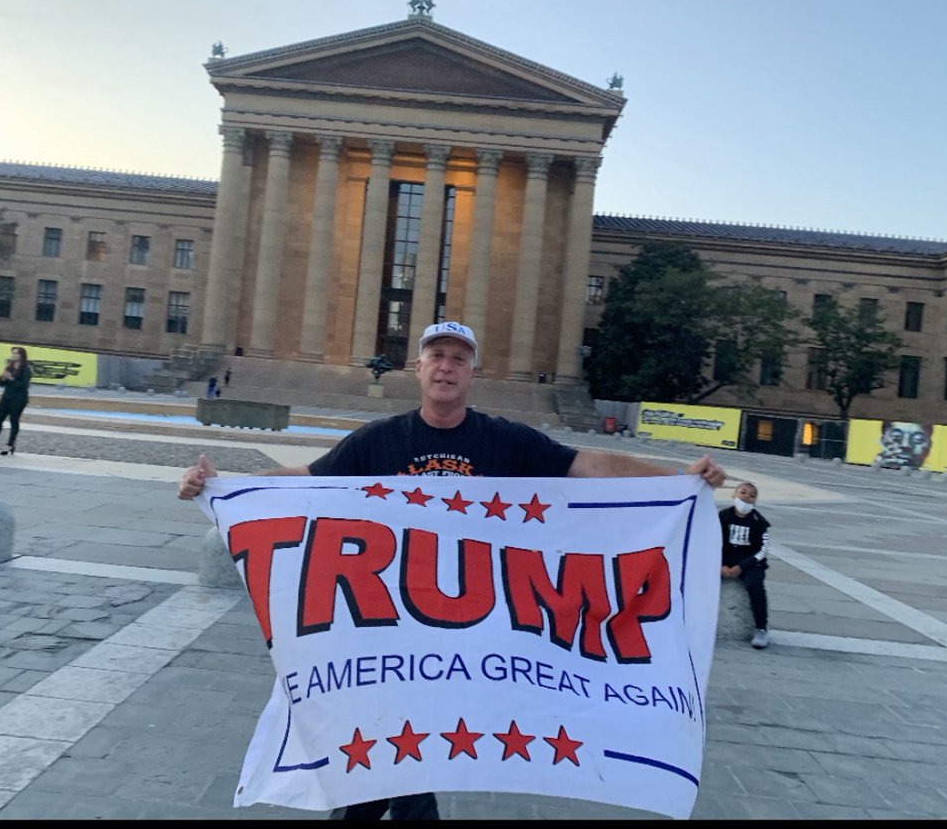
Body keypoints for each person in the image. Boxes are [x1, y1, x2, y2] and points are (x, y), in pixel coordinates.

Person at [179, 320, 726, 821]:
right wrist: (224, 485)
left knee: (404, 754)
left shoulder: (504, 440)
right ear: (418, 368)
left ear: (472, 373)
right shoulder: (382, 441)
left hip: (470, 637)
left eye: (458, 359)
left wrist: (675, 480)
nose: (446, 366)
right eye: (437, 356)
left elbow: (588, 466)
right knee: (393, 755)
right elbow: (309, 479)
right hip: (388, 632)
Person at [718, 481, 771, 649]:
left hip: (749, 562)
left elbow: (762, 550)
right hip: (724, 559)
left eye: (752, 495)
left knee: (755, 585)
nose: (747, 497)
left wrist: (742, 567)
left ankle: (761, 628)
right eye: (743, 493)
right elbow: (711, 542)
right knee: (702, 581)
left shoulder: (759, 522)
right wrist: (720, 565)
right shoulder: (723, 517)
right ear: (734, 495)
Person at [0, 346, 32, 455]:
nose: (14, 355)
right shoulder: (10, 367)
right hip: (7, 396)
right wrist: (3, 378)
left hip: (19, 398)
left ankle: (10, 444)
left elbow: (23, 385)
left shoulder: (26, 369)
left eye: (16, 353)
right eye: (13, 353)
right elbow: (2, 384)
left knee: (14, 420)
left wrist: (11, 378)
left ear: (22, 355)